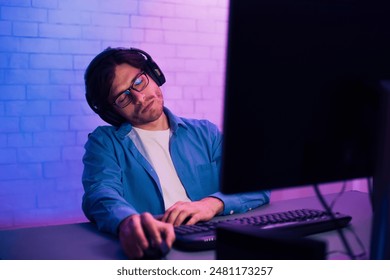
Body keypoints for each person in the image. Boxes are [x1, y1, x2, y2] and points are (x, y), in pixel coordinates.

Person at [82, 47, 271, 259]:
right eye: (123, 97)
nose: (140, 98)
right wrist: (126, 222)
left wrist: (210, 204)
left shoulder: (205, 133)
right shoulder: (105, 143)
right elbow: (100, 193)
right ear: (111, 112)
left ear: (154, 75)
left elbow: (256, 185)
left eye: (138, 82)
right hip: (160, 252)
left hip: (218, 245)